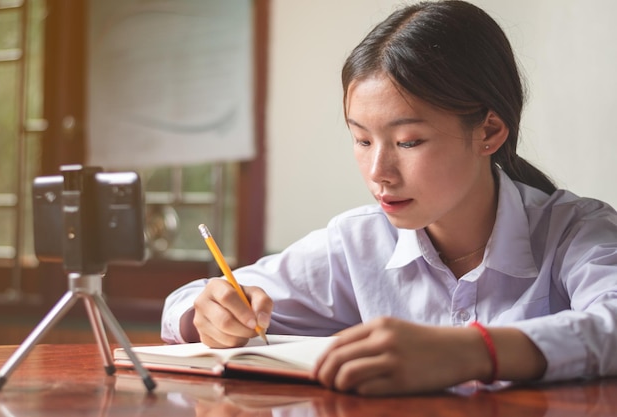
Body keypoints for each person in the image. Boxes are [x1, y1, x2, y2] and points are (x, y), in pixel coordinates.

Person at [161, 0, 617, 396]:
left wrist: (472, 351)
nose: (378, 172)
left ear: (490, 131)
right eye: (362, 141)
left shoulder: (574, 232)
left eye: (408, 142)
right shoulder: (356, 244)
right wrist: (211, 314)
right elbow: (187, 301)